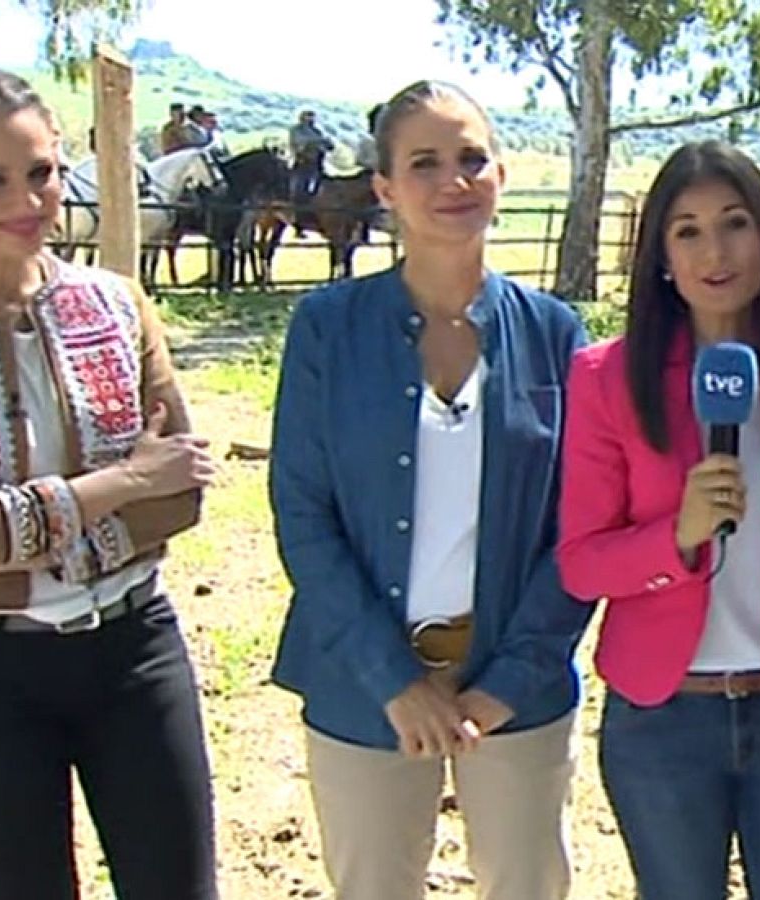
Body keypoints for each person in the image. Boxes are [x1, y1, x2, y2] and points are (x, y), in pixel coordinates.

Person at [269, 80, 589, 900]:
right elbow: (304, 516)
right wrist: (393, 679)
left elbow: (579, 527)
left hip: (516, 689)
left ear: (501, 175)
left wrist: (507, 684)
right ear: (384, 189)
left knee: (527, 885)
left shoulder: (556, 334)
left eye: (472, 159)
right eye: (425, 163)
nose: (454, 180)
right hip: (360, 684)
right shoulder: (327, 328)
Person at [0, 65, 218, 899]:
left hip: (133, 646)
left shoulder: (116, 305)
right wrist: (118, 481)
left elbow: (182, 487)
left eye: (43, 172)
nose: (29, 199)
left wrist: (13, 528)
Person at [557, 139, 760, 900]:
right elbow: (582, 560)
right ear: (661, 255)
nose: (715, 251)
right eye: (687, 230)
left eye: (735, 223)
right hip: (663, 719)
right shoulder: (605, 378)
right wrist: (679, 535)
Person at [288, 109, 334, 202]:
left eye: (311, 116)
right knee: (299, 187)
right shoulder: (296, 130)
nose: (310, 119)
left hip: (317, 163)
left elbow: (327, 146)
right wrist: (319, 141)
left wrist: (327, 144)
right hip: (303, 162)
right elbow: (301, 141)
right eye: (308, 116)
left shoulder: (317, 131)